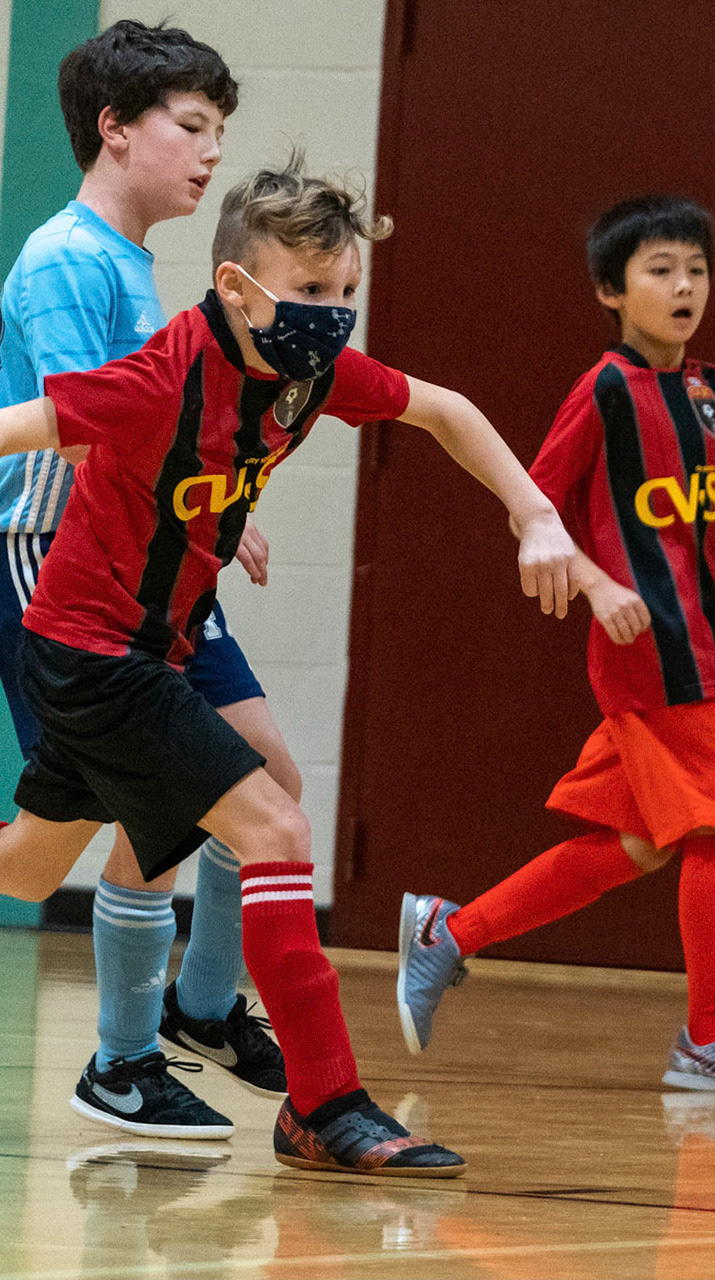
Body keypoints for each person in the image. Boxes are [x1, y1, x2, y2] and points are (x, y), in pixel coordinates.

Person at [0, 152, 581, 1176]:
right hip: (91, 651)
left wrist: (535, 514)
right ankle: (324, 1103)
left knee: (26, 867)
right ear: (238, 286)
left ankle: (219, 1033)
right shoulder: (160, 377)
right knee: (275, 813)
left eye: (346, 290)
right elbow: (26, 426)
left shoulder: (310, 376)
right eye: (311, 290)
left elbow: (445, 410)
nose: (334, 311)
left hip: (149, 648)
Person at [394, 195, 715, 1097]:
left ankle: (450, 931)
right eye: (661, 270)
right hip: (644, 650)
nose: (683, 286)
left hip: (700, 646)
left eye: (696, 270)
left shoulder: (713, 392)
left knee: (635, 847)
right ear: (611, 290)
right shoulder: (602, 391)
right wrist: (595, 584)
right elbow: (535, 511)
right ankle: (709, 1040)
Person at [0, 18, 290, 1141]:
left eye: (220, 129)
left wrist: (219, 513)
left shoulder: (127, 259)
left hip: (159, 567)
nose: (212, 151)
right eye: (192, 125)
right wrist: (207, 503)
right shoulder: (68, 259)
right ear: (116, 130)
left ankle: (195, 1012)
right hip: (62, 567)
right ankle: (129, 1056)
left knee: (262, 772)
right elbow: (91, 434)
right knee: (40, 864)